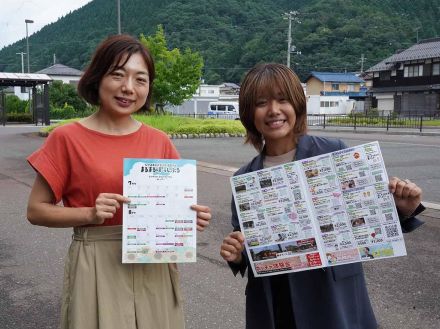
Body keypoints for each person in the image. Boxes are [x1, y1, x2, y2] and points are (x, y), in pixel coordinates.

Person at [219, 63, 425, 329]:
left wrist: (402, 209)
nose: (273, 110)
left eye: (283, 100)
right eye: (261, 103)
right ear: (249, 113)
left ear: (297, 105)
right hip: (276, 300)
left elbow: (366, 222)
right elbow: (248, 246)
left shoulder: (333, 153)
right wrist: (236, 254)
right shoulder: (244, 178)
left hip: (332, 296)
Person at [26, 34, 211, 329]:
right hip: (97, 259)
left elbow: (176, 203)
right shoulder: (67, 138)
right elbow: (36, 210)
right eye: (117, 75)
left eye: (141, 79)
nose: (128, 88)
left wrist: (190, 217)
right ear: (97, 78)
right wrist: (89, 213)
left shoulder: (159, 141)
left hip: (154, 260)